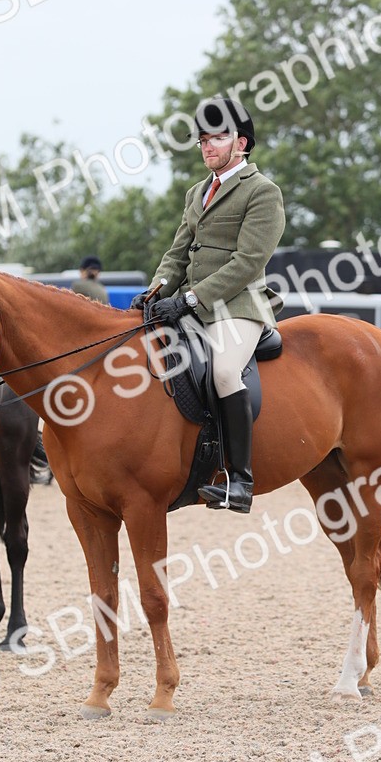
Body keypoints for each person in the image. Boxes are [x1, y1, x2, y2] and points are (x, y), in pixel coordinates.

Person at [132, 97, 285, 514]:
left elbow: (248, 262)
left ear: (242, 143)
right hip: (191, 305)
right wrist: (156, 291)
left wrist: (191, 298)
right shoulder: (197, 192)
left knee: (221, 371)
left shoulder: (262, 192)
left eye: (218, 137)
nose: (208, 146)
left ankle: (240, 480)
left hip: (239, 307)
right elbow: (178, 252)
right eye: (202, 140)